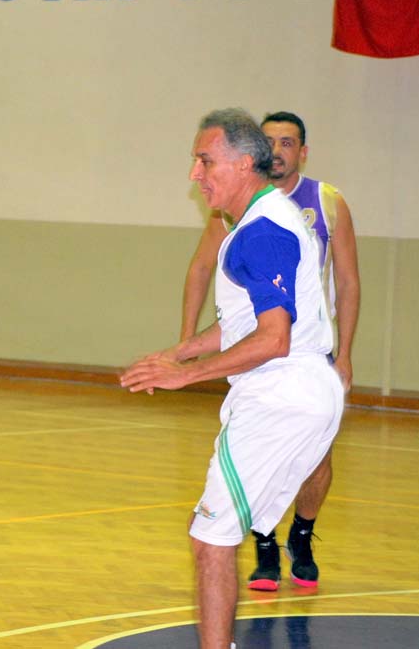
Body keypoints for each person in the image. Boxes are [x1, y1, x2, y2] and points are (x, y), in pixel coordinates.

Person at [121, 108, 344, 649]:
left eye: (205, 161)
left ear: (244, 163)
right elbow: (242, 325)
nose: (195, 175)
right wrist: (178, 352)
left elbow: (273, 339)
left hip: (280, 394)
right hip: (298, 392)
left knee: (210, 538)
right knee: (214, 534)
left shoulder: (262, 231)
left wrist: (187, 376)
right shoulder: (261, 220)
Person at [179, 111, 360, 591]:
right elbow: (209, 280)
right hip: (274, 367)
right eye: (271, 140)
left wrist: (345, 352)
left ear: (303, 151)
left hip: (297, 362)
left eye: (288, 142)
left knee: (306, 464)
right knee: (249, 480)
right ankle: (264, 547)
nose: (278, 149)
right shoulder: (232, 212)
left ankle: (300, 535)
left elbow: (344, 284)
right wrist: (184, 348)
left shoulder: (321, 204)